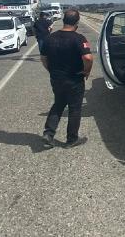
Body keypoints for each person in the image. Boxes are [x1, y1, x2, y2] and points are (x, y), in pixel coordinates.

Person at [40, 8, 93, 148]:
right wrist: (86, 71)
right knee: (75, 108)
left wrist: (51, 70)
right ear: (77, 22)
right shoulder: (79, 38)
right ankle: (72, 139)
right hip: (74, 79)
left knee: (58, 104)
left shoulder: (50, 38)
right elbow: (88, 57)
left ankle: (49, 133)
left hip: (56, 79)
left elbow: (43, 58)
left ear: (64, 20)